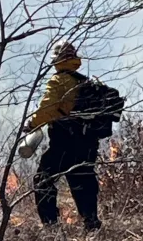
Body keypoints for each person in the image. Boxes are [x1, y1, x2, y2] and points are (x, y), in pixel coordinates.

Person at [23, 42, 102, 231]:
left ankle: (51, 227)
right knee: (82, 181)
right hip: (87, 143)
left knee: (43, 180)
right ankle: (92, 224)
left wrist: (32, 124)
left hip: (64, 142)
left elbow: (48, 109)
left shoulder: (59, 81)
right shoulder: (86, 81)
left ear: (57, 60)